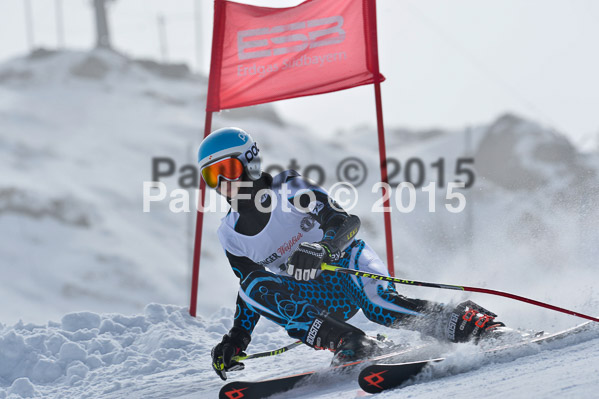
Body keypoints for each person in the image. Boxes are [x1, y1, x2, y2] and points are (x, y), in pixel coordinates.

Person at [202, 127, 504, 381]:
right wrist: (237, 338)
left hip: (345, 266)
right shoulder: (230, 234)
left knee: (381, 307)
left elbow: (345, 221)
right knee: (251, 285)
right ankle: (352, 343)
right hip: (316, 298)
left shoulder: (288, 187)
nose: (223, 183)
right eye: (212, 177)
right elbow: (251, 289)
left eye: (227, 169)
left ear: (251, 162)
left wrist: (323, 248)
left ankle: (466, 322)